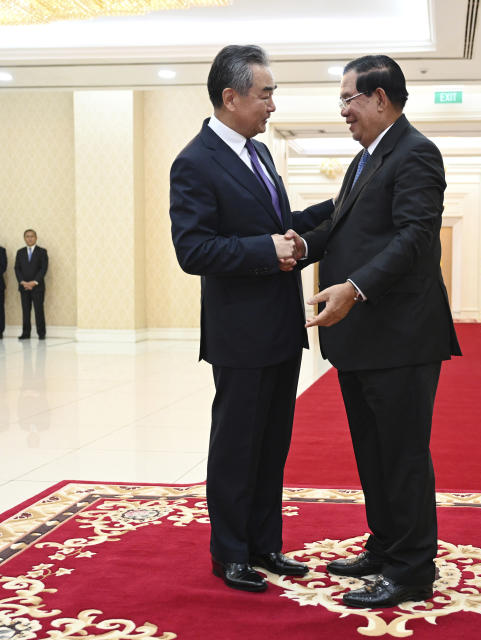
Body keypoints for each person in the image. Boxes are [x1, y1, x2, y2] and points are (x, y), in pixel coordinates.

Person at [168, 44, 335, 593]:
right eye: (265, 95)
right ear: (230, 96)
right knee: (237, 446)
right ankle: (230, 553)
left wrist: (339, 206)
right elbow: (194, 251)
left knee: (271, 444)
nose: (272, 106)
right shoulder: (194, 162)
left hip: (280, 329)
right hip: (240, 334)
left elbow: (278, 226)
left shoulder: (259, 155)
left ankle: (265, 546)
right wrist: (267, 250)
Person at [300, 55, 461, 608]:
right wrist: (288, 237)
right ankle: (386, 545)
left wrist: (356, 287)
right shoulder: (365, 160)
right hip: (364, 341)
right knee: (373, 452)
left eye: (348, 99)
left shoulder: (415, 154)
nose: (342, 111)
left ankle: (413, 569)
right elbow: (337, 219)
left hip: (401, 338)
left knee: (402, 455)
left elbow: (415, 238)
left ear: (380, 99)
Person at [14, 229, 49, 340]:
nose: (29, 238)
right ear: (24, 238)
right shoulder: (20, 252)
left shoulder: (42, 251)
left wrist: (34, 282)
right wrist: (22, 282)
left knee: (39, 310)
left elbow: (43, 269)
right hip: (24, 286)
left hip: (37, 287)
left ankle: (41, 333)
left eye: (32, 236)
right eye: (27, 236)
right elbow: (17, 268)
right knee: (25, 311)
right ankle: (26, 333)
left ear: (36, 238)